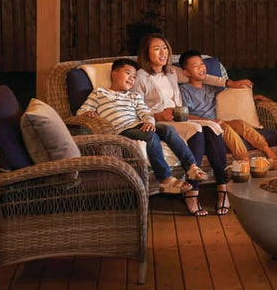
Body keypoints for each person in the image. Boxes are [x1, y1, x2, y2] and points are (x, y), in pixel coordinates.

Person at [132, 34, 240, 215]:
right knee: (197, 128)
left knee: (213, 128)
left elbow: (202, 76)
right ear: (146, 52)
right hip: (159, 120)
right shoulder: (141, 77)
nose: (163, 52)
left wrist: (227, 82)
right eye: (156, 48)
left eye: (165, 48)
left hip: (180, 118)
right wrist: (157, 114)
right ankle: (193, 192)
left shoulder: (172, 72)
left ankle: (222, 189)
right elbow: (136, 106)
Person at [77, 58, 208, 202]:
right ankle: (165, 179)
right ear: (114, 74)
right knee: (151, 137)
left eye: (134, 77)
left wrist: (149, 121)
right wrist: (87, 113)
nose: (131, 79)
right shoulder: (99, 93)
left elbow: (146, 113)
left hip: (139, 124)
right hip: (121, 130)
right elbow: (82, 110)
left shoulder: (134, 96)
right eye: (128, 73)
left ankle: (191, 167)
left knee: (167, 129)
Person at [178, 49, 277, 170]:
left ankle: (271, 154)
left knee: (240, 124)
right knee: (226, 128)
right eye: (195, 66)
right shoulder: (184, 91)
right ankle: (245, 161)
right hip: (202, 127)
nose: (201, 68)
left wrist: (255, 98)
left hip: (217, 122)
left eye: (202, 64)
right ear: (186, 72)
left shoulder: (210, 86)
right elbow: (184, 115)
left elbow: (228, 98)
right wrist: (209, 122)